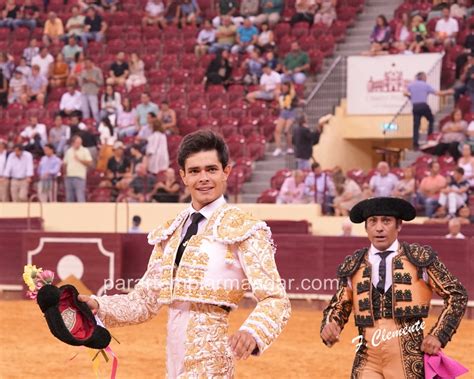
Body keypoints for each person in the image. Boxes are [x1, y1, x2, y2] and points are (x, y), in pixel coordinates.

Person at [78, 130, 290, 377]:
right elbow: (143, 302)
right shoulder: (170, 231)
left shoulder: (245, 229)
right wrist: (97, 304)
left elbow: (275, 298)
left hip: (213, 361)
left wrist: (253, 331)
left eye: (211, 169)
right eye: (195, 171)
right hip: (173, 361)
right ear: (183, 176)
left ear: (226, 172)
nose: (204, 178)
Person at [320, 197, 468, 378]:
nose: (379, 227)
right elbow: (339, 306)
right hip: (367, 359)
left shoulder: (419, 259)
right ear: (366, 227)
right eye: (373, 221)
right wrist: (331, 324)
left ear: (399, 226)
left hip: (407, 358)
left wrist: (439, 334)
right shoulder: (354, 264)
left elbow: (457, 294)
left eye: (386, 221)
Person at [404, 72, 453, 150]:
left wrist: (411, 97)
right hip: (423, 105)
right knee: (431, 119)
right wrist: (448, 92)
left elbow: (405, 93)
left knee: (416, 125)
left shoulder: (411, 84)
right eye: (425, 77)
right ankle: (429, 136)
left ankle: (415, 144)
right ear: (423, 77)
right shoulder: (425, 85)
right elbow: (438, 93)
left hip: (415, 107)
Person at [63, 135, 92, 202]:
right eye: (77, 142)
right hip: (69, 177)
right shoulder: (69, 151)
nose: (79, 144)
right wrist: (65, 173)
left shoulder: (85, 150)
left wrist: (79, 159)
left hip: (79, 177)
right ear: (73, 143)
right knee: (69, 197)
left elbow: (89, 163)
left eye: (80, 142)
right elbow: (65, 163)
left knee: (80, 197)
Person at [79, 57, 104, 122]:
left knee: (95, 111)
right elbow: (80, 83)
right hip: (84, 92)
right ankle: (86, 125)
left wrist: (93, 80)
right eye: (85, 63)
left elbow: (101, 82)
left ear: (91, 63)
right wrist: (83, 81)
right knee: (85, 111)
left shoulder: (97, 70)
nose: (86, 64)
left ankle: (98, 125)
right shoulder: (83, 71)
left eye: (88, 63)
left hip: (93, 92)